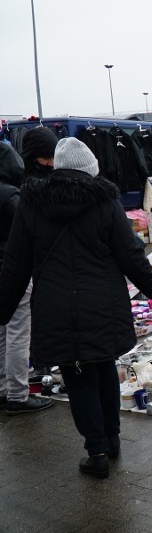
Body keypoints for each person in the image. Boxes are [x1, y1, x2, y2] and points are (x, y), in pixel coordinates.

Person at [0, 138, 152, 478]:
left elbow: (15, 262)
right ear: (91, 169)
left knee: (78, 376)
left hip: (56, 307)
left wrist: (3, 309)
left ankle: (97, 452)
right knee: (104, 367)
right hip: (102, 304)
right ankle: (111, 438)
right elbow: (131, 254)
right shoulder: (104, 201)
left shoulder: (32, 203)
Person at [0, 143, 54, 415]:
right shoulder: (11, 196)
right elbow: (25, 237)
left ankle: (2, 389)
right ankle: (18, 395)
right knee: (18, 333)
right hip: (11, 272)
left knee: (1, 332)